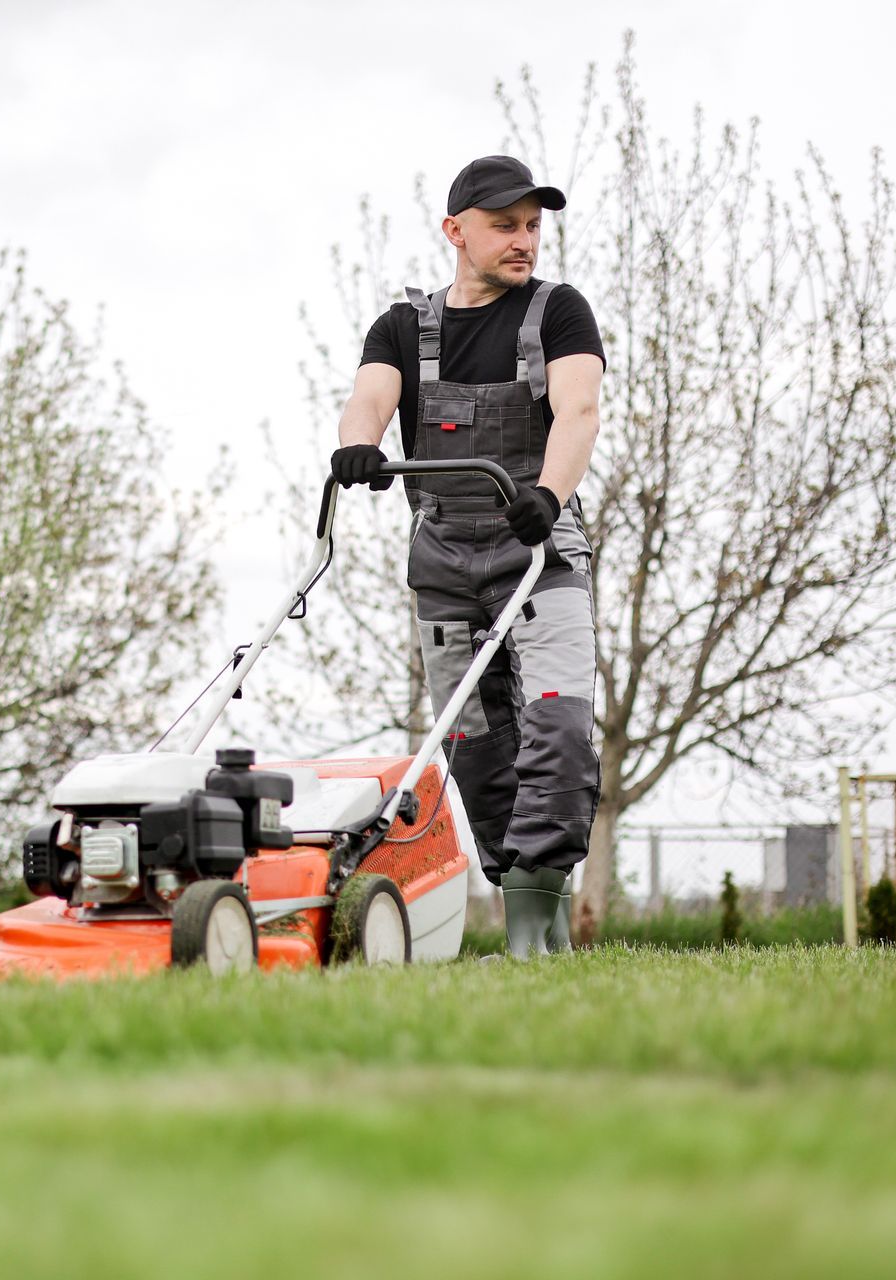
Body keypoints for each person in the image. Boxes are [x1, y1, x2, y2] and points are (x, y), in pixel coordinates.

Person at [332, 155, 604, 959]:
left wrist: (548, 495)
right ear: (456, 231)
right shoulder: (402, 327)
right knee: (475, 744)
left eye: (532, 225)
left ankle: (527, 931)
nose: (524, 240)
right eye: (504, 225)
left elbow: (578, 410)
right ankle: (540, 924)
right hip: (444, 560)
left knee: (555, 722)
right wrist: (356, 448)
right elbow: (369, 399)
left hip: (538, 548)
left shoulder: (559, 312)